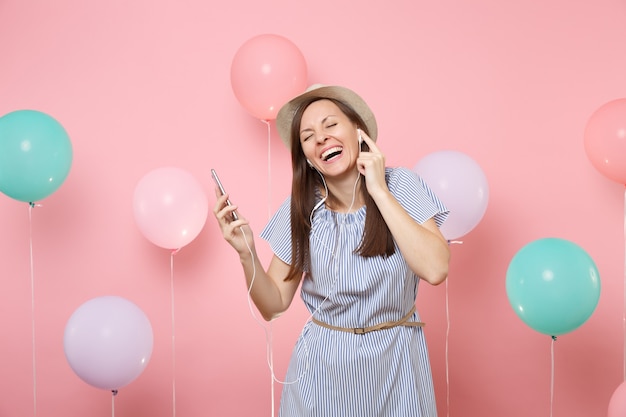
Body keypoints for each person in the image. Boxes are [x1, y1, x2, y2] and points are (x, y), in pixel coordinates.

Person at [213, 85, 450, 416]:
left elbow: (436, 269)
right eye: (308, 136)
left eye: (330, 125)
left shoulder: (401, 185)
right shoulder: (301, 211)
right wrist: (246, 253)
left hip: (397, 363)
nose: (321, 138)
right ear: (307, 158)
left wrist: (379, 190)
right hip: (323, 370)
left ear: (359, 133)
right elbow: (273, 305)